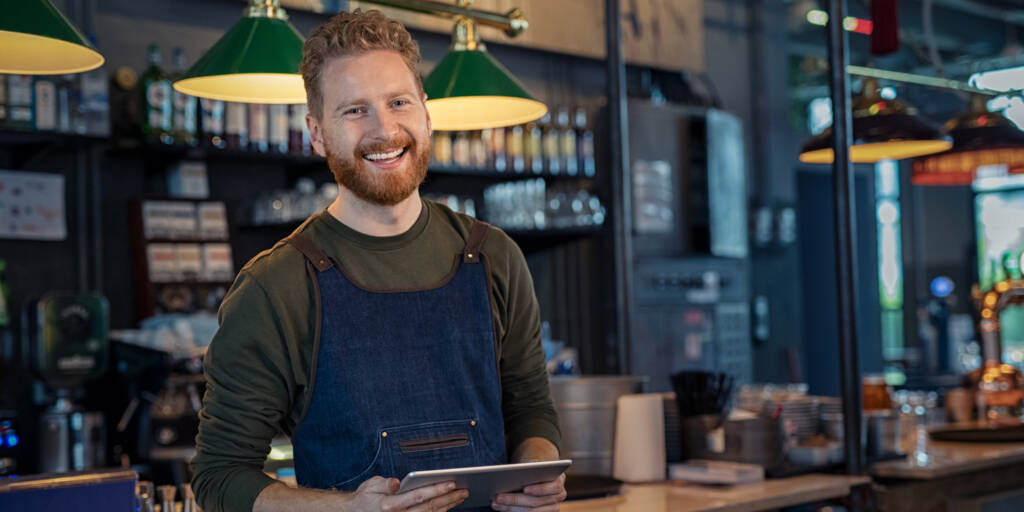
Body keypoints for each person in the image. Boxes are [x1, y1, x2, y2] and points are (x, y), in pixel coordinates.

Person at [190, 9, 566, 512]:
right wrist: (346, 509)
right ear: (317, 133)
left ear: (426, 114)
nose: (385, 130)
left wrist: (538, 468)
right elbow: (219, 477)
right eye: (354, 110)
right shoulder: (275, 285)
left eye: (398, 102)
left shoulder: (494, 255)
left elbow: (531, 408)